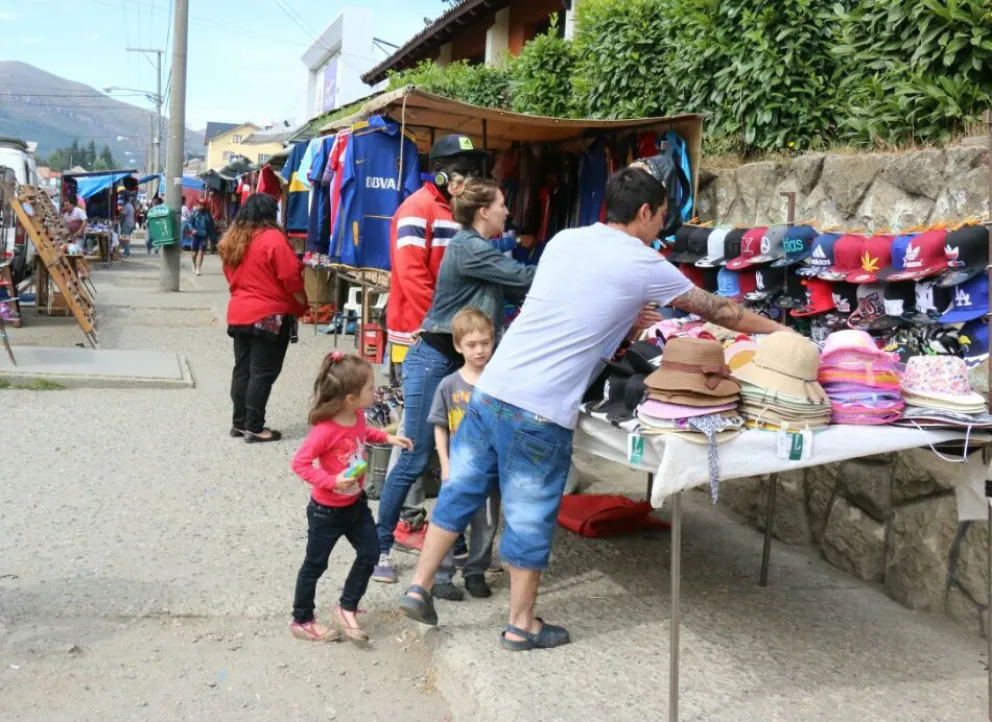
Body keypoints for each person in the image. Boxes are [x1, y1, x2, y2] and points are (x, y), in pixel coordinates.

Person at [398, 157, 791, 650]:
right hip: (538, 409)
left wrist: (621, 325)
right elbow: (721, 310)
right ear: (645, 212)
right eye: (662, 216)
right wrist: (783, 332)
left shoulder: (566, 240)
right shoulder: (645, 262)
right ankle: (522, 625)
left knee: (461, 489)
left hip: (491, 388)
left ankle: (420, 585)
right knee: (528, 513)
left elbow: (568, 308)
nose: (661, 227)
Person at [373, 175, 536, 584]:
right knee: (415, 453)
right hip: (433, 359)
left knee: (464, 457)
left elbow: (513, 292)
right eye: (502, 204)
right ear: (484, 211)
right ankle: (379, 548)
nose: (507, 211)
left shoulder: (478, 249)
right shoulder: (468, 247)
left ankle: (455, 548)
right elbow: (524, 278)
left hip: (463, 362)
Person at [383, 134, 493, 553]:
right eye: (463, 168)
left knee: (447, 429)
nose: (469, 176)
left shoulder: (460, 213)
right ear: (443, 170)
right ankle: (405, 521)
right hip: (420, 333)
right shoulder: (417, 208)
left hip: (455, 338)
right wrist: (448, 324)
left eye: (473, 168)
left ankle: (441, 523)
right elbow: (412, 277)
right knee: (415, 434)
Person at [290, 352, 413, 642]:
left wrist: (387, 437)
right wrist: (332, 481)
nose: (375, 391)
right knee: (315, 565)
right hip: (326, 511)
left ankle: (347, 606)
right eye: (370, 388)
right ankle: (302, 620)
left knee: (370, 553)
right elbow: (300, 464)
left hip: (356, 505)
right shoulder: (325, 431)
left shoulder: (357, 415)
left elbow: (362, 433)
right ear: (350, 397)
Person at [220, 193, 306, 443]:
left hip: (239, 312)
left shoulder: (233, 238)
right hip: (269, 315)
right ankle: (255, 427)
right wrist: (302, 301)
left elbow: (229, 274)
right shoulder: (273, 239)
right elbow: (291, 277)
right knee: (262, 373)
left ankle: (239, 423)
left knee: (242, 370)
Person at [427, 307, 500, 601]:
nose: (480, 350)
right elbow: (440, 427)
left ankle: (475, 571)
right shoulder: (449, 384)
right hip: (457, 468)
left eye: (485, 343)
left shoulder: (499, 384)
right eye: (472, 345)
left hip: (490, 468)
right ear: (458, 346)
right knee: (450, 519)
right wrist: (445, 465)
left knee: (487, 521)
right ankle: (443, 575)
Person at [190, 198, 215, 276]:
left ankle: (198, 268)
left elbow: (211, 227)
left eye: (203, 205)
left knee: (201, 252)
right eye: (200, 204)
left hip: (204, 236)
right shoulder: (194, 213)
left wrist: (211, 238)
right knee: (194, 254)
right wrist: (192, 229)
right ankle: (194, 265)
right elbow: (189, 223)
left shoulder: (208, 215)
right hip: (195, 236)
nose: (201, 206)